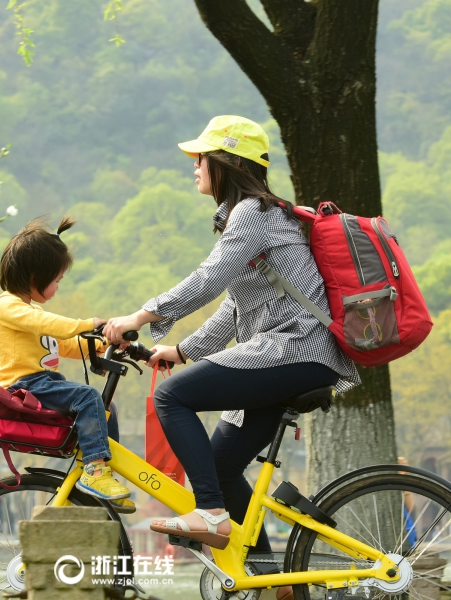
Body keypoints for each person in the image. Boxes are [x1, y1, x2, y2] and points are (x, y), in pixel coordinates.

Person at [103, 116, 359, 574]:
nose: (194, 167)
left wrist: (140, 316)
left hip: (295, 349)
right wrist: (181, 351)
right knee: (221, 468)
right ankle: (268, 577)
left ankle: (212, 514)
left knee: (171, 396)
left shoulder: (253, 215)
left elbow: (208, 280)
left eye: (199, 158)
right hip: (289, 352)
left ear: (225, 161)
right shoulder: (252, 216)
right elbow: (236, 306)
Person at [0, 216, 133, 512]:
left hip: (43, 384)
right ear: (34, 277)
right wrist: (85, 323)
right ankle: (95, 471)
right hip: (23, 386)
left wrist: (105, 341)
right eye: (56, 280)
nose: (57, 288)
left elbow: (67, 345)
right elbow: (48, 324)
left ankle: (101, 470)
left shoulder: (31, 312)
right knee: (87, 396)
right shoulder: (8, 306)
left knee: (105, 410)